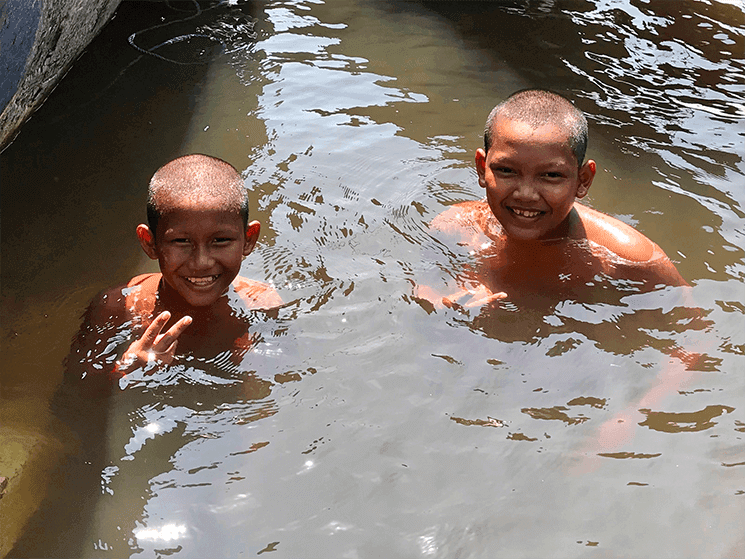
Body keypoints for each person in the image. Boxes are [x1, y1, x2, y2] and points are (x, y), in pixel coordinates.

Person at [419, 88, 687, 310]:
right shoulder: (454, 227)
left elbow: (694, 340)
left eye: (550, 175)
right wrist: (444, 304)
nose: (525, 194)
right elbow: (423, 291)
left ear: (583, 181)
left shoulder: (631, 257)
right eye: (506, 171)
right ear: (481, 168)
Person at [71, 154, 282, 384]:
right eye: (181, 241)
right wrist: (127, 368)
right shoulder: (119, 307)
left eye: (220, 240)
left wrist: (255, 368)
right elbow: (74, 394)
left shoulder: (262, 304)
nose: (201, 262)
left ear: (249, 240)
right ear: (150, 243)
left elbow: (278, 387)